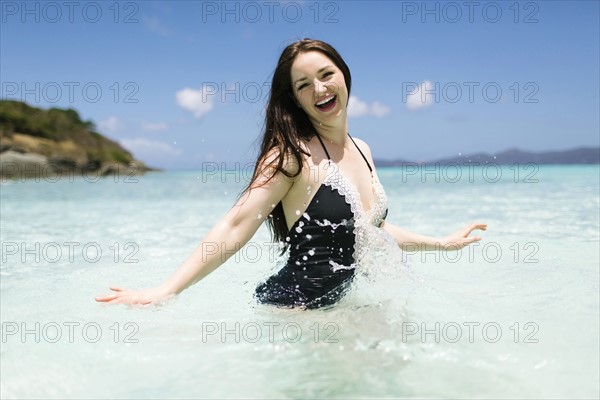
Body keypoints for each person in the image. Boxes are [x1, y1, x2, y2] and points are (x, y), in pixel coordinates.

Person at [95, 38, 486, 308]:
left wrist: (442, 244)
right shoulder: (291, 155)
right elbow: (236, 224)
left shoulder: (362, 150)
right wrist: (166, 290)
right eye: (304, 85)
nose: (320, 88)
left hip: (336, 310)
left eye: (326, 74)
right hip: (294, 313)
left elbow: (371, 231)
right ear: (296, 99)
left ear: (344, 76)